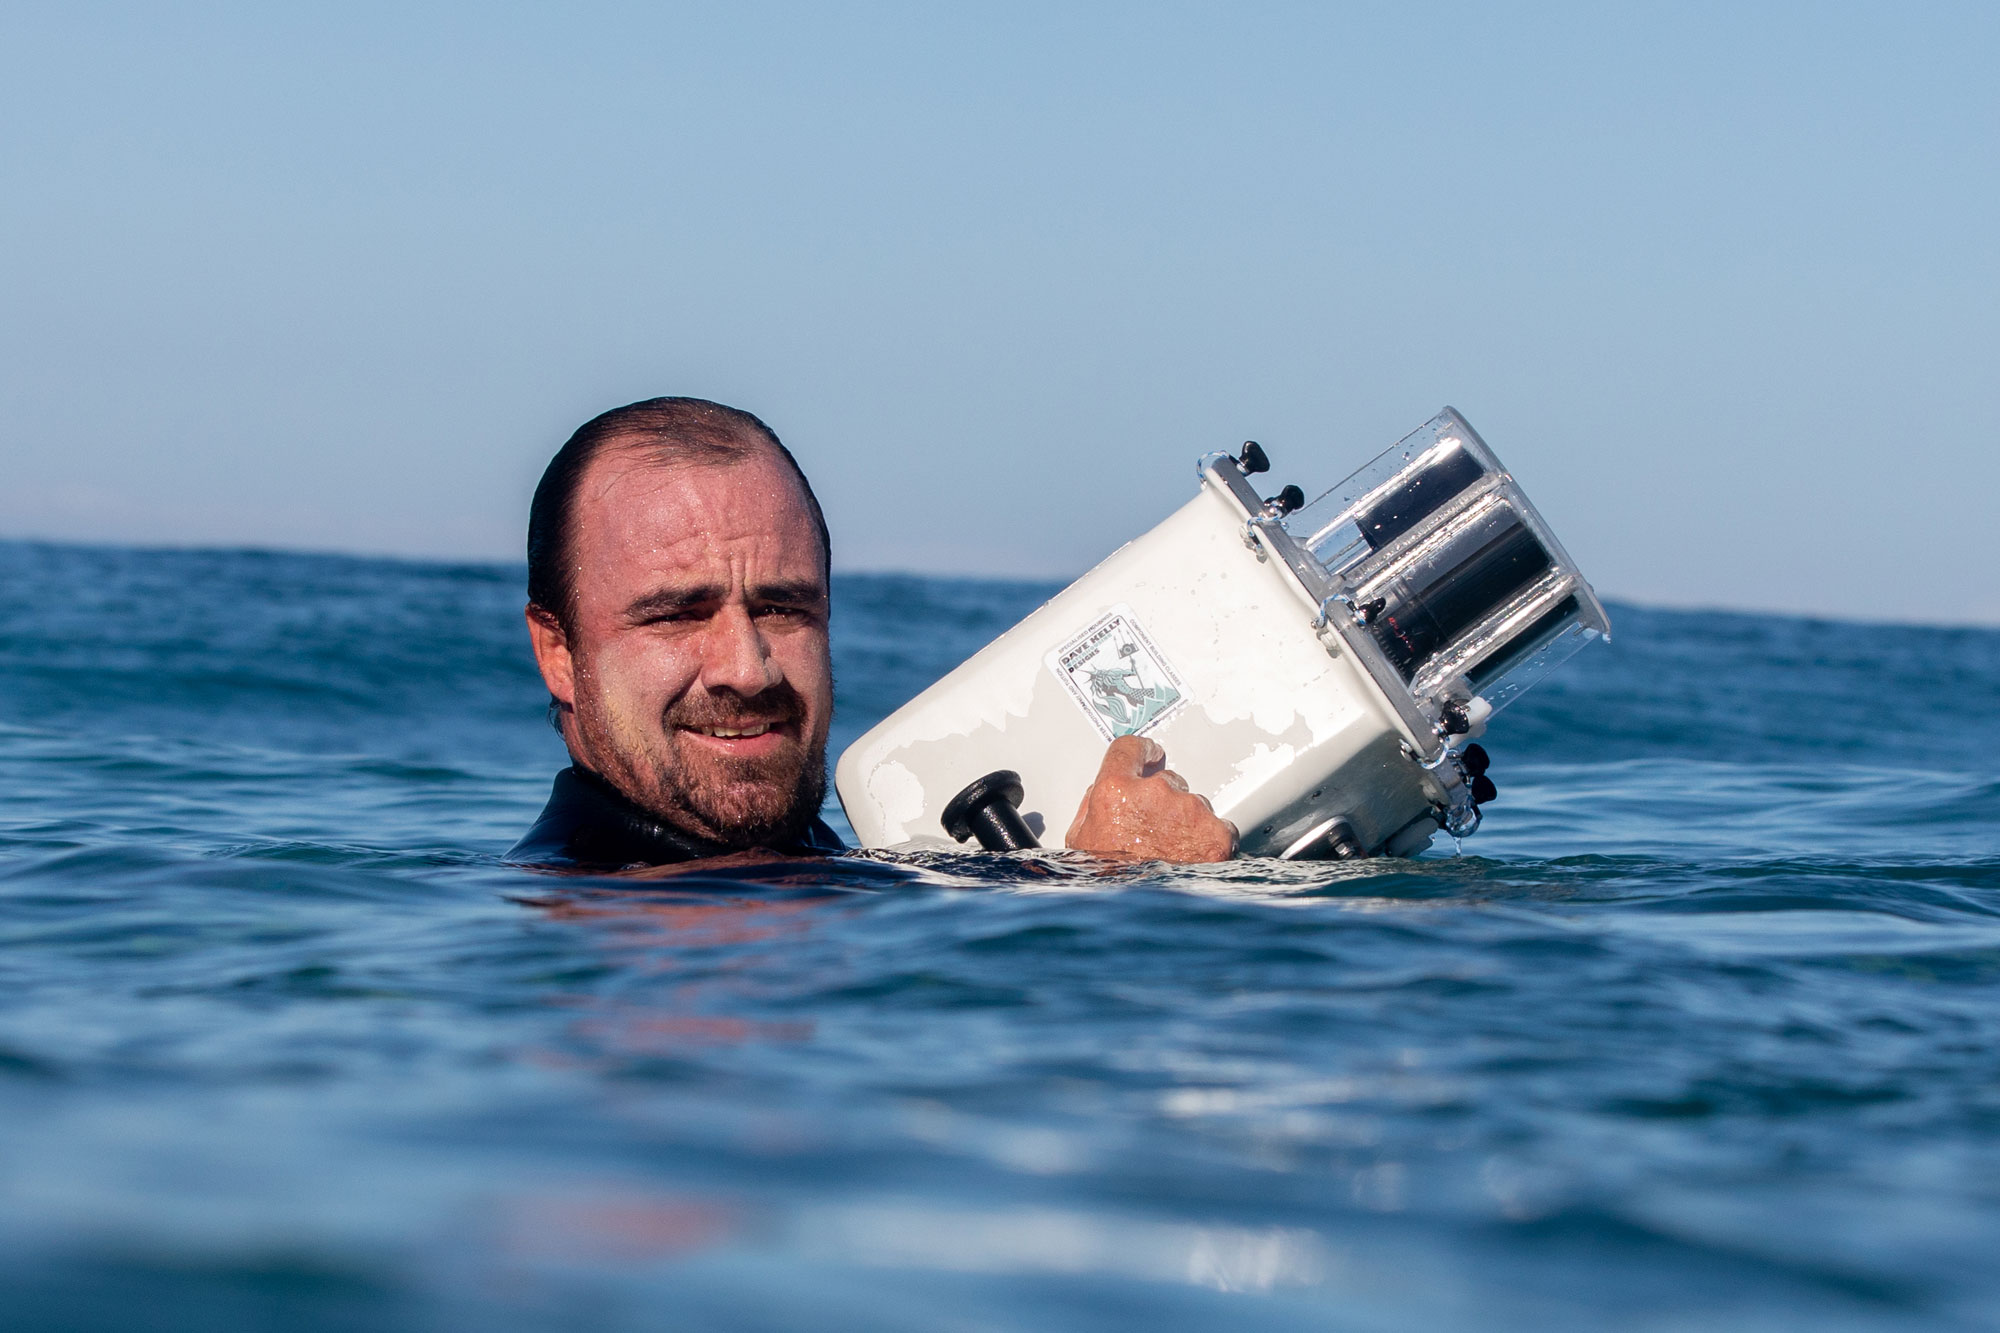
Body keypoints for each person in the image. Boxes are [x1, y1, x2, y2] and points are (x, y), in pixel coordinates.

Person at [509, 397, 1236, 870]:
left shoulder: (829, 874)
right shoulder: (588, 931)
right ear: (559, 654)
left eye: (782, 608)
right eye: (677, 614)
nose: (748, 668)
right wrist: (1131, 906)